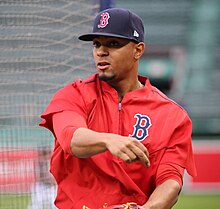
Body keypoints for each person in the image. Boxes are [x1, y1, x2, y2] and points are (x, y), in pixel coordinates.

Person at [39, 8, 197, 209]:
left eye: (113, 44)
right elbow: (71, 139)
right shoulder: (73, 94)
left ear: (138, 50)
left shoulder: (172, 115)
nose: (101, 51)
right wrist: (108, 140)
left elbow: (170, 180)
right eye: (97, 44)